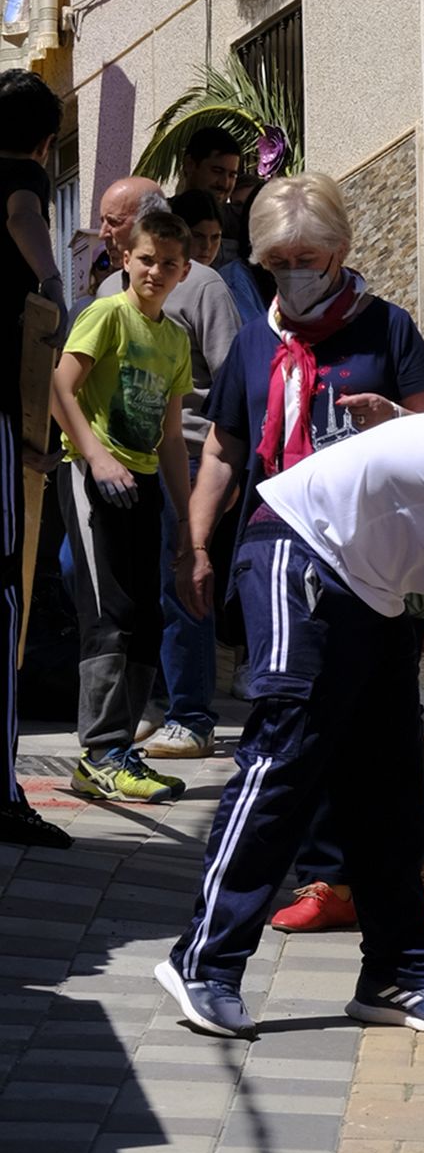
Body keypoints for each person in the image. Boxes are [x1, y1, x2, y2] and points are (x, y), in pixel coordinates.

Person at [156, 412, 424, 1039]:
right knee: (287, 756)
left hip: (378, 588)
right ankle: (205, 963)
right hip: (303, 545)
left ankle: (400, 976)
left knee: (389, 780)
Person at [183, 172, 424, 930]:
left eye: (309, 255)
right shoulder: (257, 340)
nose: (294, 271)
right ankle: (327, 878)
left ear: (341, 250)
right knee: (298, 713)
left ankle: (403, 870)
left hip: (375, 552)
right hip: (279, 554)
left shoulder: (387, 328)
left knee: (386, 716)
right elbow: (227, 451)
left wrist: (392, 418)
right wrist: (196, 542)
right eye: (278, 259)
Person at [52, 200, 197, 804]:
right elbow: (59, 385)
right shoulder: (105, 315)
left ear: (184, 270)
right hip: (91, 477)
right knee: (108, 614)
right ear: (124, 259)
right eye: (145, 260)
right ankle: (100, 752)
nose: (155, 272)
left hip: (143, 486)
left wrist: (189, 527)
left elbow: (170, 436)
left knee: (147, 618)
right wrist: (97, 455)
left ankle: (120, 750)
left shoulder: (175, 339)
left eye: (168, 263)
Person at [95, 180, 239, 762]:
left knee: (184, 578)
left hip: (188, 456)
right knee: (124, 590)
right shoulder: (110, 289)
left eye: (112, 219)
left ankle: (192, 714)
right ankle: (141, 704)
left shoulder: (202, 286)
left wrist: (227, 473)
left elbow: (233, 380)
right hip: (119, 465)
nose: (104, 230)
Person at [0, 69, 70, 849]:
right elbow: (22, 211)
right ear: (47, 143)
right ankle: (2, 792)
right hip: (3, 417)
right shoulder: (21, 179)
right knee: (7, 595)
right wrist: (53, 281)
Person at [181, 126, 247, 265]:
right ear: (190, 164)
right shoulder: (162, 216)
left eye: (232, 175)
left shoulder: (242, 222)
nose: (224, 183)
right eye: (217, 171)